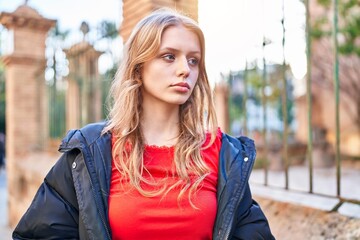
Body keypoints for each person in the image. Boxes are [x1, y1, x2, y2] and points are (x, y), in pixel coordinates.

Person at [12, 8, 275, 240]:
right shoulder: (91, 151)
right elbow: (39, 234)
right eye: (169, 56)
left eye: (193, 59)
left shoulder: (223, 153)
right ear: (138, 66)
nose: (185, 69)